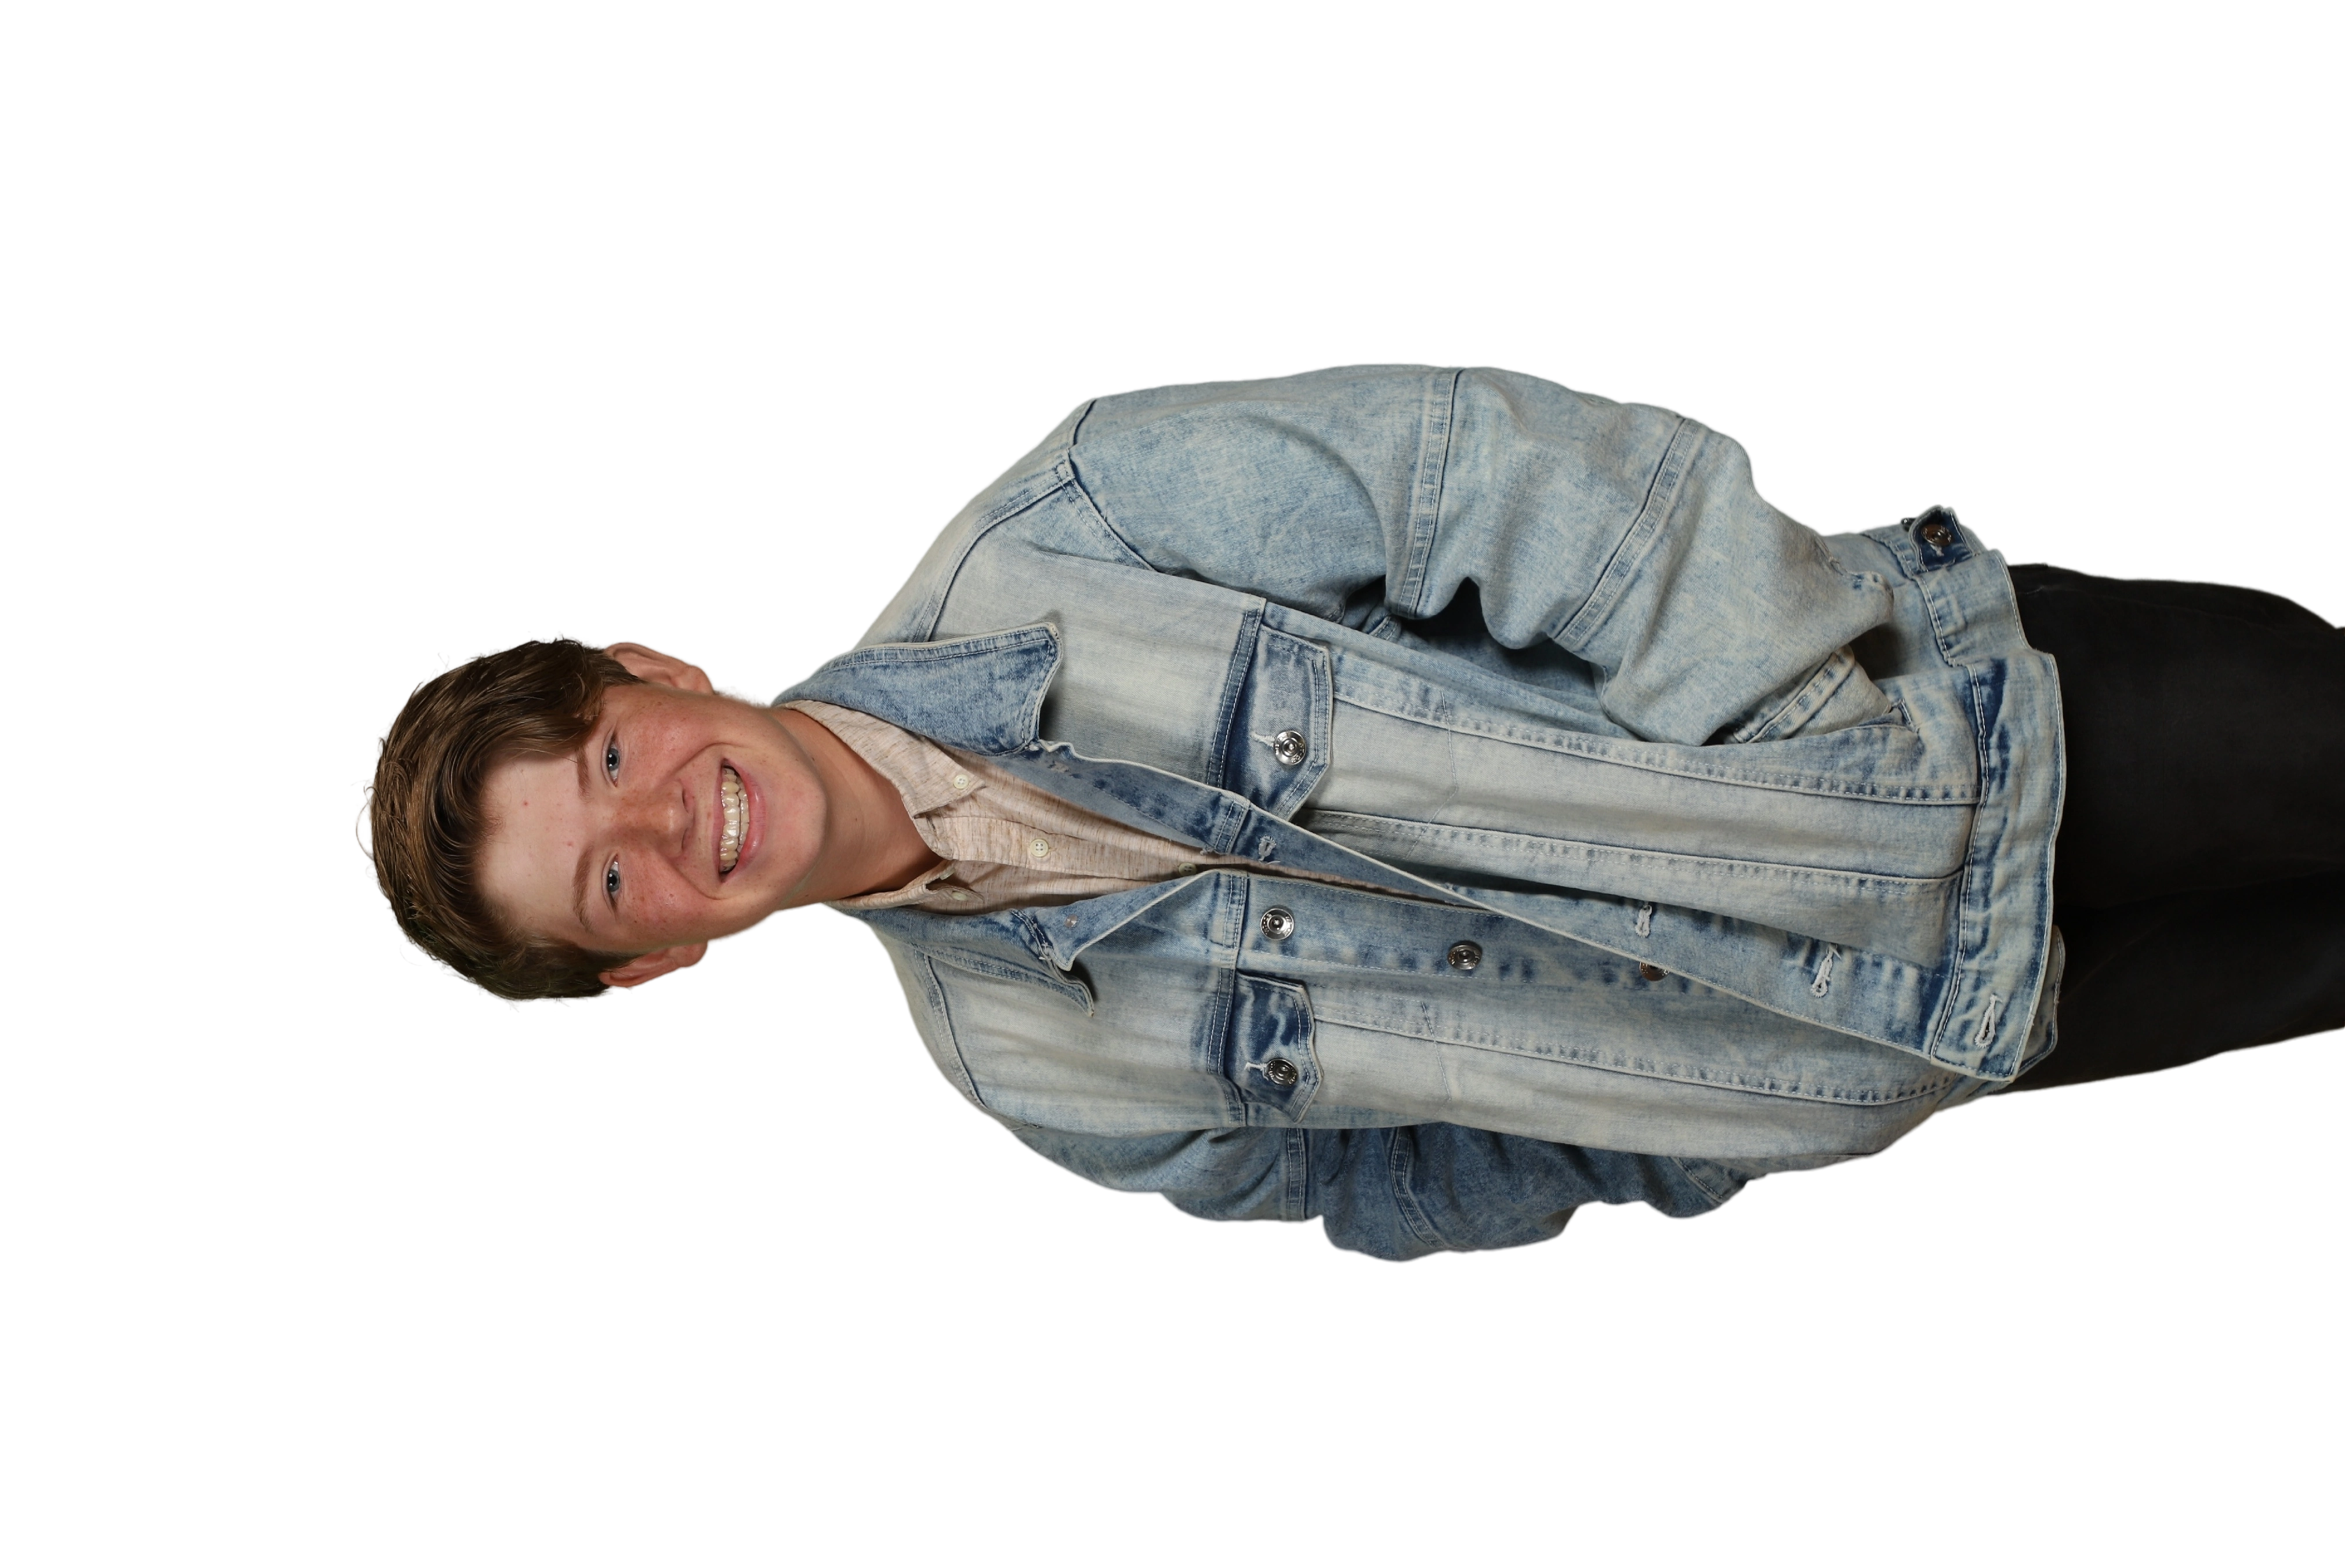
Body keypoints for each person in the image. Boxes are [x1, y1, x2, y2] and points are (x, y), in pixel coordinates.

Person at [350, 361, 2345, 1264]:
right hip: (1943, 1032)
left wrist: (1805, 709)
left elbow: (1493, 475)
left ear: (654, 674)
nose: (665, 823)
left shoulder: (1076, 523)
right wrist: (1707, 1130)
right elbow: (1401, 1191)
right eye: (608, 885)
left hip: (1977, 729)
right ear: (661, 960)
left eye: (607, 762)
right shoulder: (1040, 1083)